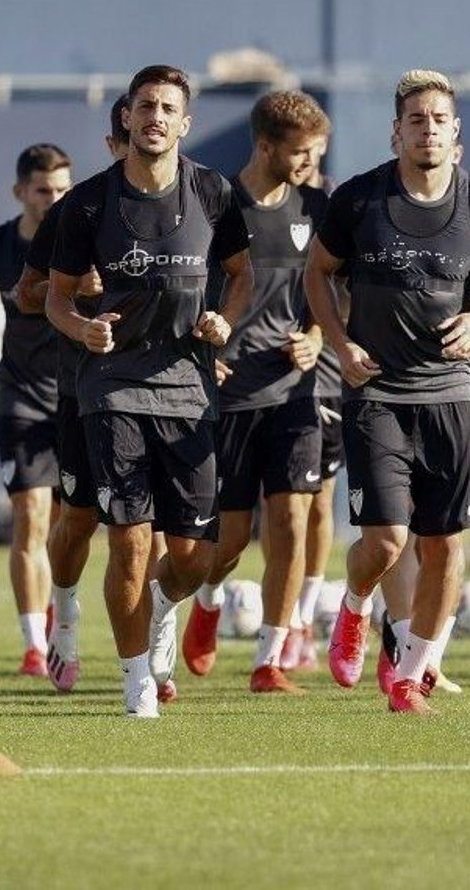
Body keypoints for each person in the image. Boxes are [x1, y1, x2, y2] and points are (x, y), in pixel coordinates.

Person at [305, 69, 470, 714]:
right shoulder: (359, 201)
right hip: (377, 393)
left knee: (446, 546)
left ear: (455, 133)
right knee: (385, 542)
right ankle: (353, 607)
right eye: (416, 120)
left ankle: (409, 676)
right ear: (396, 131)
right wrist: (340, 344)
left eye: (439, 120)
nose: (427, 129)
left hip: (451, 395)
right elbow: (318, 274)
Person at [46, 65, 252, 718]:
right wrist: (82, 327)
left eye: (168, 107)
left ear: (184, 123)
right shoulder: (86, 203)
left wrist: (227, 317)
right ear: (128, 119)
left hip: (189, 389)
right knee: (130, 538)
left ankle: (164, 607)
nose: (156, 116)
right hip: (112, 389)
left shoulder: (215, 194)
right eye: (145, 106)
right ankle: (137, 679)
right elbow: (54, 295)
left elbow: (241, 275)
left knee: (194, 560)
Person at [180, 90, 331, 693]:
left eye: (315, 152)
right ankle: (208, 601)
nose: (308, 163)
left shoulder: (316, 207)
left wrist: (318, 337)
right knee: (230, 540)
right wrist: (202, 353)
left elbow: (330, 290)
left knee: (292, 521)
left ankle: (271, 658)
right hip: (228, 393)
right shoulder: (215, 205)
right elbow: (184, 287)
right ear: (264, 146)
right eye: (299, 152)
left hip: (294, 391)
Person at [18, 96, 133, 693]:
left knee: (148, 530)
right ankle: (63, 613)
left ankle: (148, 650)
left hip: (160, 392)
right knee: (79, 520)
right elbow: (26, 293)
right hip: (82, 391)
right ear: (115, 142)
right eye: (126, 136)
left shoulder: (190, 202)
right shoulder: (78, 209)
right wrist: (80, 291)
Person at [0, 143, 74, 678]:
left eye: (61, 191)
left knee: (67, 525)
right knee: (30, 519)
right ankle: (34, 644)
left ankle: (61, 621)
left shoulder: (85, 244)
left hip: (79, 399)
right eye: (42, 191)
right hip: (22, 397)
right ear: (20, 192)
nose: (53, 201)